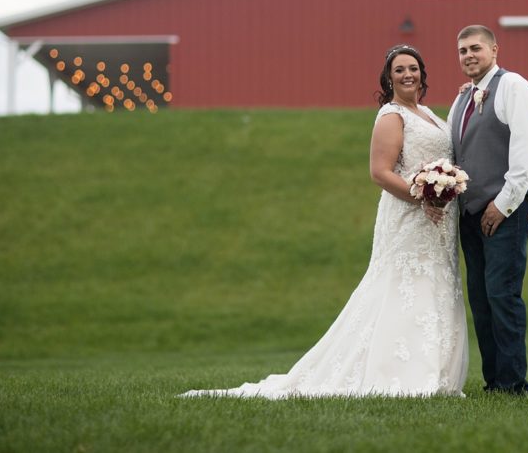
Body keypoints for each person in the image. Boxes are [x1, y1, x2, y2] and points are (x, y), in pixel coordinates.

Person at [180, 45, 468, 398]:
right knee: (404, 289)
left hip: (438, 223)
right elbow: (379, 173)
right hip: (409, 218)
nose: (408, 74)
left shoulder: (426, 113)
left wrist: (443, 190)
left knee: (436, 288)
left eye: (413, 68)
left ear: (423, 73)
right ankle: (400, 374)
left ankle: (437, 375)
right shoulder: (392, 116)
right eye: (399, 70)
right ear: (388, 78)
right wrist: (422, 196)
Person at [449, 25, 528, 395]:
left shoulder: (513, 86)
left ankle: (513, 383)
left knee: (502, 295)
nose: (468, 55)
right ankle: (495, 382)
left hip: (508, 210)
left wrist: (503, 204)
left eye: (475, 48)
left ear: (494, 49)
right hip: (470, 214)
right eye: (461, 51)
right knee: (482, 299)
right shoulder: (462, 100)